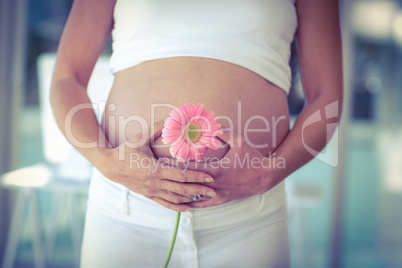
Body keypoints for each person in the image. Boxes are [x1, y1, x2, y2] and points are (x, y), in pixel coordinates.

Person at [50, 0, 343, 267]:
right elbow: (66, 78)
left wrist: (268, 173)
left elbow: (326, 99)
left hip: (248, 222)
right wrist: (106, 162)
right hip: (125, 211)